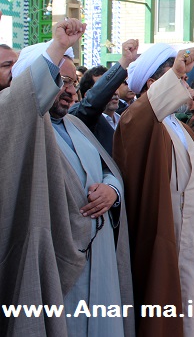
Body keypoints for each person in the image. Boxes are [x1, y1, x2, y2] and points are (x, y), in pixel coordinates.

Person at [0, 19, 133, 337]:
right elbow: (24, 98)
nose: (71, 90)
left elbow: (107, 170)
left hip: (100, 258)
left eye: (73, 81)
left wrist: (112, 190)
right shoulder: (24, 128)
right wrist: (58, 46)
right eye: (61, 80)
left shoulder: (76, 126)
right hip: (61, 265)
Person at [113, 44, 194, 336]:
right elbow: (136, 119)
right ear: (153, 84)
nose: (188, 86)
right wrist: (174, 73)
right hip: (164, 235)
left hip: (193, 236)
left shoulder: (181, 128)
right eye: (180, 79)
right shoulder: (139, 122)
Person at [69, 39, 139, 155]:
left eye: (115, 86)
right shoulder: (82, 120)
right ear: (88, 95)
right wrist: (124, 61)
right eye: (107, 88)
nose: (114, 92)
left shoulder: (126, 117)